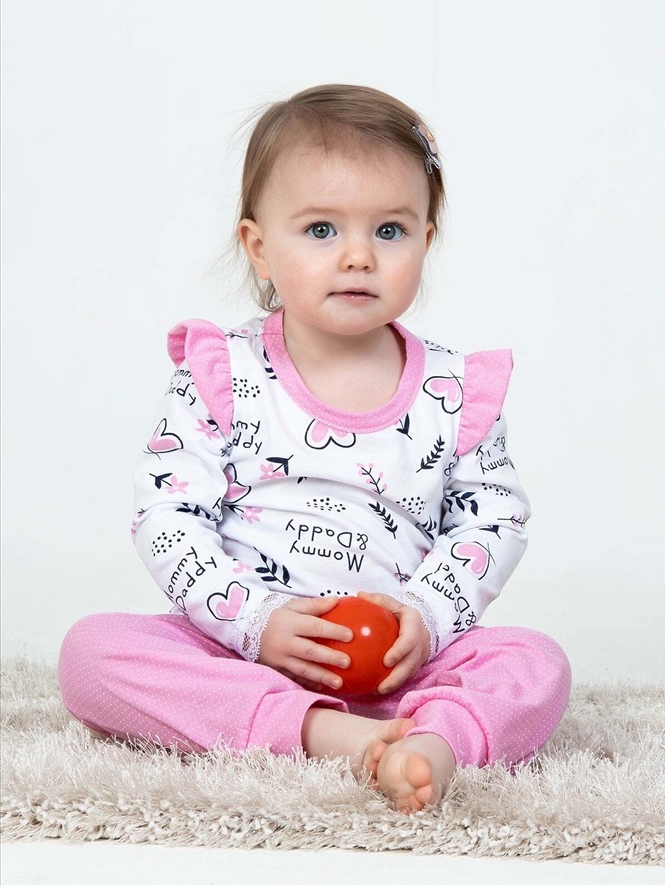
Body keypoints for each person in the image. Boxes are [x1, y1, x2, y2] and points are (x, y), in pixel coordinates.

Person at [58, 84, 571, 815]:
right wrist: (255, 620)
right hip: (244, 657)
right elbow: (168, 514)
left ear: (426, 241)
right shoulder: (223, 374)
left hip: (401, 665)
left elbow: (494, 521)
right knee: (92, 653)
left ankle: (437, 740)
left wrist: (424, 615)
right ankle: (317, 732)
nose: (359, 256)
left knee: (536, 663)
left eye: (389, 231)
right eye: (322, 229)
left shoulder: (457, 390)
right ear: (260, 248)